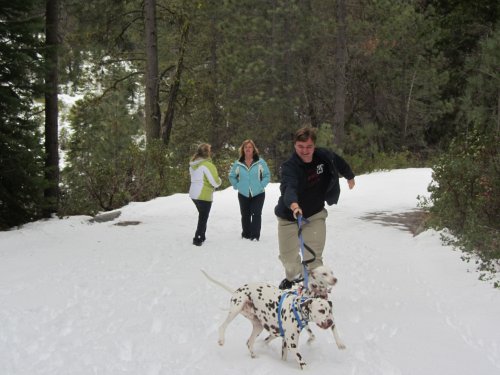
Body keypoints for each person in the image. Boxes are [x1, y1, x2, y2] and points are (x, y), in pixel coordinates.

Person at [274, 126, 355, 289]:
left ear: (314, 145)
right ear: (295, 145)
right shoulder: (290, 166)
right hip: (290, 217)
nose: (305, 151)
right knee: (289, 261)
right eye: (300, 147)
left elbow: (338, 162)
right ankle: (293, 278)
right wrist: (294, 205)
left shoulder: (323, 156)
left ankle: (319, 294)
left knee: (313, 258)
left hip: (315, 215)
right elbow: (288, 187)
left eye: (309, 146)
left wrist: (349, 176)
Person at [229, 139, 271, 241]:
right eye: (246, 147)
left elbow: (267, 175)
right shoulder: (238, 163)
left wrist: (261, 185)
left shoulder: (260, 162)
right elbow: (232, 176)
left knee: (256, 214)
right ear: (243, 149)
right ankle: (246, 234)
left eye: (250, 147)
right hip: (243, 193)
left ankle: (255, 236)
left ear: (253, 149)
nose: (248, 149)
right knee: (245, 215)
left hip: (258, 193)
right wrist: (236, 185)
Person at [189, 143, 222, 246]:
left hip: (194, 194)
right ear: (208, 152)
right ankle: (197, 238)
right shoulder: (208, 165)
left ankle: (202, 236)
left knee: (202, 215)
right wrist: (220, 180)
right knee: (203, 217)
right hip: (203, 195)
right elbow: (215, 182)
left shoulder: (193, 164)